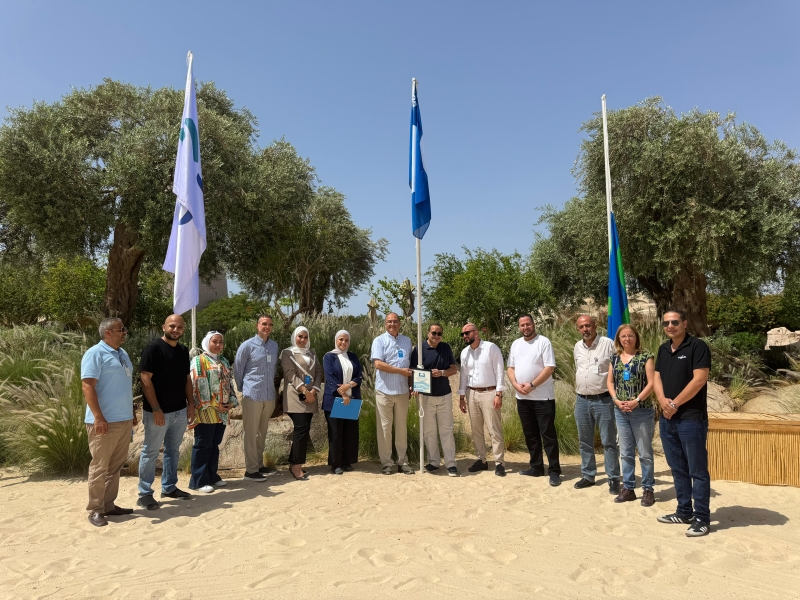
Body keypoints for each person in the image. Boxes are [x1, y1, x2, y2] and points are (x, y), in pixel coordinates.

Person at [654, 309, 712, 537]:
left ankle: (702, 518)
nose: (670, 326)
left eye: (675, 322)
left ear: (685, 323)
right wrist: (662, 401)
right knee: (677, 468)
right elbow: (657, 377)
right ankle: (684, 511)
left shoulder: (697, 346)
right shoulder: (663, 349)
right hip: (668, 418)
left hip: (691, 418)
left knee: (697, 470)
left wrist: (674, 403)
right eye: (666, 323)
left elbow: (699, 379)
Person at [81, 318, 136, 527]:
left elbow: (123, 386)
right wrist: (98, 416)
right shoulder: (95, 353)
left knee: (115, 466)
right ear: (108, 333)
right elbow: (87, 386)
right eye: (121, 329)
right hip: (104, 421)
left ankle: (108, 505)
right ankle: (95, 509)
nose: (125, 332)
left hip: (123, 420)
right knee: (100, 466)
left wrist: (131, 411)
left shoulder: (122, 354)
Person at [137, 314, 194, 510]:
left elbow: (187, 379)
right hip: (157, 412)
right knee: (150, 451)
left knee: (173, 450)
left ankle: (169, 487)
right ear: (164, 327)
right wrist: (156, 408)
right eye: (172, 326)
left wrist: (191, 404)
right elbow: (145, 378)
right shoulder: (153, 349)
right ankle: (145, 493)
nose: (175, 330)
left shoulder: (183, 350)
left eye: (179, 327)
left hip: (179, 411)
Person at [506, 315, 561, 487]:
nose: (525, 327)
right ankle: (536, 467)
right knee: (530, 435)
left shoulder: (543, 342)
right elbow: (510, 368)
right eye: (522, 325)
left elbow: (549, 368)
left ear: (533, 324)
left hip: (542, 398)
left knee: (548, 435)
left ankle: (554, 471)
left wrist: (532, 385)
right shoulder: (515, 344)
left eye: (528, 324)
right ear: (519, 327)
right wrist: (515, 384)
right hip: (522, 398)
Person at [607, 324, 656, 506]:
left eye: (630, 335)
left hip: (641, 410)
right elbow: (610, 381)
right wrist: (616, 400)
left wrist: (636, 400)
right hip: (621, 411)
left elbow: (652, 383)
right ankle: (628, 488)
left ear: (636, 337)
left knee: (645, 453)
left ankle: (648, 489)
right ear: (618, 339)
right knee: (626, 452)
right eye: (623, 336)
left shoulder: (646, 357)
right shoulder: (614, 358)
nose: (627, 339)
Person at [572, 315, 621, 493]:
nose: (585, 329)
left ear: (595, 325)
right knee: (585, 441)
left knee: (609, 441)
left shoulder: (608, 344)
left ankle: (613, 477)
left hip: (603, 400)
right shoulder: (577, 347)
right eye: (581, 327)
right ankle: (588, 475)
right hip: (582, 400)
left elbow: (617, 368)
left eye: (587, 325)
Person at [189, 331, 238, 493]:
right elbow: (198, 384)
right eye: (214, 341)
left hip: (222, 411)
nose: (218, 345)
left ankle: (212, 475)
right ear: (207, 342)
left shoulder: (223, 361)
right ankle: (199, 480)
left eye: (220, 342)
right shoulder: (199, 360)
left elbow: (229, 383)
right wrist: (215, 404)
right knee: (203, 444)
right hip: (206, 410)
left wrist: (232, 402)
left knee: (214, 444)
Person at [409, 323, 459, 477]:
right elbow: (412, 371)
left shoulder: (446, 348)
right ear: (428, 333)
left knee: (446, 430)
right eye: (434, 333)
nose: (436, 336)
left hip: (444, 395)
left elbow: (454, 369)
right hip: (425, 397)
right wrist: (413, 387)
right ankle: (434, 462)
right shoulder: (418, 349)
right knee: (428, 431)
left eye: (439, 333)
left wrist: (442, 372)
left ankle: (451, 463)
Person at [234, 314, 280, 482]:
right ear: (257, 325)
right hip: (252, 395)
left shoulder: (274, 346)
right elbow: (238, 369)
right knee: (251, 433)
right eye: (264, 324)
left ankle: (259, 465)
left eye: (270, 325)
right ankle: (251, 470)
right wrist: (244, 388)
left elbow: (273, 369)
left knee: (262, 432)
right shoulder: (247, 346)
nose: (267, 327)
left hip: (269, 396)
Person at [458, 323, 507, 477]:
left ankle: (499, 462)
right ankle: (482, 460)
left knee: (494, 429)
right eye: (463, 334)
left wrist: (499, 394)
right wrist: (461, 397)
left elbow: (499, 371)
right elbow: (463, 376)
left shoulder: (491, 348)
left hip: (490, 392)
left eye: (467, 333)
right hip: (471, 393)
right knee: (476, 429)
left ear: (476, 332)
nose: (465, 336)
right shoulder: (464, 353)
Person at [371, 313, 414, 475]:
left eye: (395, 321)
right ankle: (387, 463)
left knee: (401, 427)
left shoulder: (407, 341)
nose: (392, 324)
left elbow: (410, 366)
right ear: (385, 324)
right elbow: (378, 364)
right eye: (389, 321)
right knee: (385, 428)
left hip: (402, 391)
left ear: (400, 323)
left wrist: (411, 384)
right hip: (384, 391)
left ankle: (402, 461)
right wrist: (400, 371)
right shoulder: (379, 341)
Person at [280, 326, 323, 480]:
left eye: (305, 337)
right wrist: (305, 391)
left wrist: (314, 391)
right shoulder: (287, 353)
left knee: (303, 430)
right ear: (294, 337)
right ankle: (296, 467)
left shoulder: (312, 353)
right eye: (300, 336)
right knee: (301, 429)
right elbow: (290, 374)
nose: (302, 340)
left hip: (310, 396)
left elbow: (318, 372)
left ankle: (294, 462)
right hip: (296, 396)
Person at [323, 330, 362, 474]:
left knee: (350, 432)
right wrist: (344, 394)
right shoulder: (329, 357)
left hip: (352, 400)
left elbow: (359, 375)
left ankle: (347, 461)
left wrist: (349, 385)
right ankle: (336, 464)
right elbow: (330, 379)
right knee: (336, 433)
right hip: (335, 401)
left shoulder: (353, 356)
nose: (343, 343)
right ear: (336, 340)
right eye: (341, 339)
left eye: (346, 340)